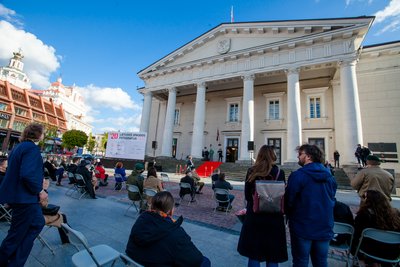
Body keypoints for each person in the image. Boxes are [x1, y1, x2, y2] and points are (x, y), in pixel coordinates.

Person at [0, 123, 48, 266]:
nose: (44, 135)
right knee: (16, 234)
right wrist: (40, 191)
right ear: (38, 134)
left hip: (20, 197)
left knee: (37, 223)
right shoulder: (31, 149)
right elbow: (27, 174)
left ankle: (15, 260)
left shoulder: (18, 147)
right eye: (43, 133)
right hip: (26, 198)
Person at [125, 191, 211, 266]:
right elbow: (195, 260)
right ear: (170, 211)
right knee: (205, 261)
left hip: (133, 260)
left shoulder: (141, 219)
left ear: (152, 207)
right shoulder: (175, 232)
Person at [285, 144, 337, 267]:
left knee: (300, 261)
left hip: (302, 226)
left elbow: (289, 200)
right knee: (321, 262)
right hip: (324, 225)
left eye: (300, 154)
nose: (298, 157)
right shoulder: (330, 177)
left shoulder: (298, 175)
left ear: (308, 156)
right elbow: (332, 197)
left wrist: (288, 215)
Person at [237, 145, 288, 267]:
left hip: (255, 216)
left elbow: (248, 196)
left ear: (259, 156)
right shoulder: (280, 172)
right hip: (275, 218)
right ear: (273, 156)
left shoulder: (252, 171)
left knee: (254, 254)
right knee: (273, 256)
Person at [351, 190, 400, 265]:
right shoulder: (396, 216)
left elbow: (356, 235)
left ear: (368, 201)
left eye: (364, 197)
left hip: (369, 252)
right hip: (392, 254)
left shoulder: (363, 216)